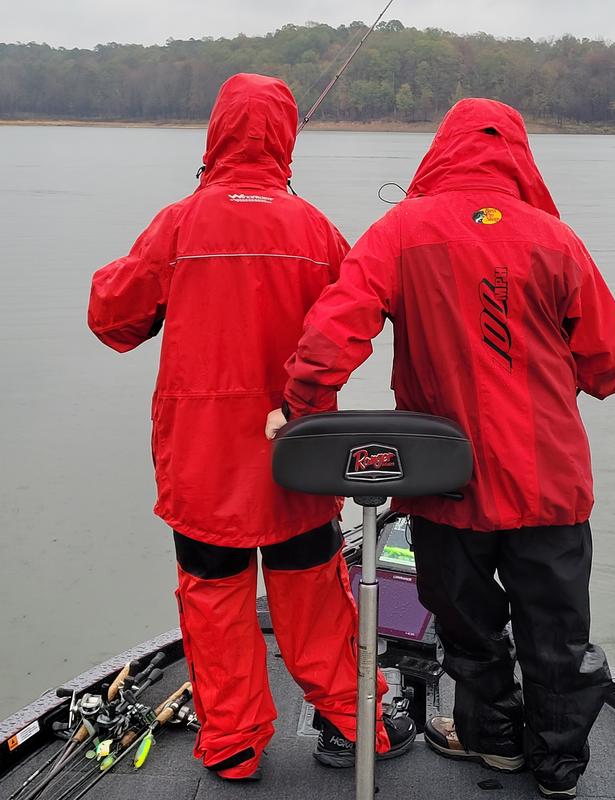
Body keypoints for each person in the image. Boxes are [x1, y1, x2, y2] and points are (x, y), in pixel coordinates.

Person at [267, 98, 615, 798]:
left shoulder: (399, 230)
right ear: (518, 154)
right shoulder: (557, 238)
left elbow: (331, 335)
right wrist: (580, 377)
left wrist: (302, 409)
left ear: (441, 151)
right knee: (557, 632)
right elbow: (604, 360)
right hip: (550, 481)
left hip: (443, 485)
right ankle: (557, 767)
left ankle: (493, 743)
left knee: (464, 622)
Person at [88, 73, 414, 782]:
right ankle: (360, 725)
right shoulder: (318, 229)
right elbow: (365, 313)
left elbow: (111, 319)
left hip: (202, 463)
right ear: (284, 138)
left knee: (213, 600)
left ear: (216, 134)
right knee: (315, 594)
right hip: (294, 453)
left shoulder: (177, 223)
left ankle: (233, 744)